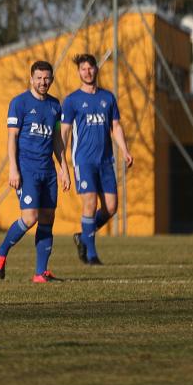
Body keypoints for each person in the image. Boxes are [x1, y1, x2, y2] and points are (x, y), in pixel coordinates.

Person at [0, 60, 70, 283]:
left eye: (46, 78)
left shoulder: (55, 106)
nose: (43, 82)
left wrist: (64, 168)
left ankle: (40, 273)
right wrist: (13, 169)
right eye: (39, 78)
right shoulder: (19, 103)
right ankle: (0, 252)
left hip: (48, 171)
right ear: (31, 79)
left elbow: (57, 140)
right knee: (30, 217)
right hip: (26, 170)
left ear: (51, 79)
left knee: (47, 218)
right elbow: (12, 137)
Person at [60, 53, 134, 265]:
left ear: (96, 69)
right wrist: (62, 162)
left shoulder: (108, 98)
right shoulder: (72, 100)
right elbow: (64, 131)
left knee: (111, 207)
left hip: (106, 161)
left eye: (90, 68)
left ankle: (83, 236)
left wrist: (125, 151)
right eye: (83, 69)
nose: (87, 72)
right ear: (78, 72)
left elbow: (115, 126)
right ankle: (91, 255)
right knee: (90, 202)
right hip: (84, 161)